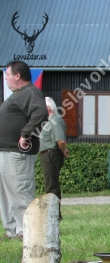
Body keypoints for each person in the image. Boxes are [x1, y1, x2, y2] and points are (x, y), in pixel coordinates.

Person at [0, 61, 48, 240]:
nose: (6, 79)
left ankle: (28, 232)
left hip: (17, 153)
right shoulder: (20, 94)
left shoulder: (30, 92)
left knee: (20, 192)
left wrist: (26, 134)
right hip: (7, 151)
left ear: (17, 75)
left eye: (7, 75)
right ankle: (13, 230)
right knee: (6, 194)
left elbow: (41, 113)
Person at [39, 97, 69, 201]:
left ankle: (54, 213)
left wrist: (63, 150)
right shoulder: (50, 120)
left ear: (47, 108)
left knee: (51, 185)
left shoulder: (55, 120)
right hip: (48, 154)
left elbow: (61, 141)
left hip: (51, 154)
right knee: (50, 183)